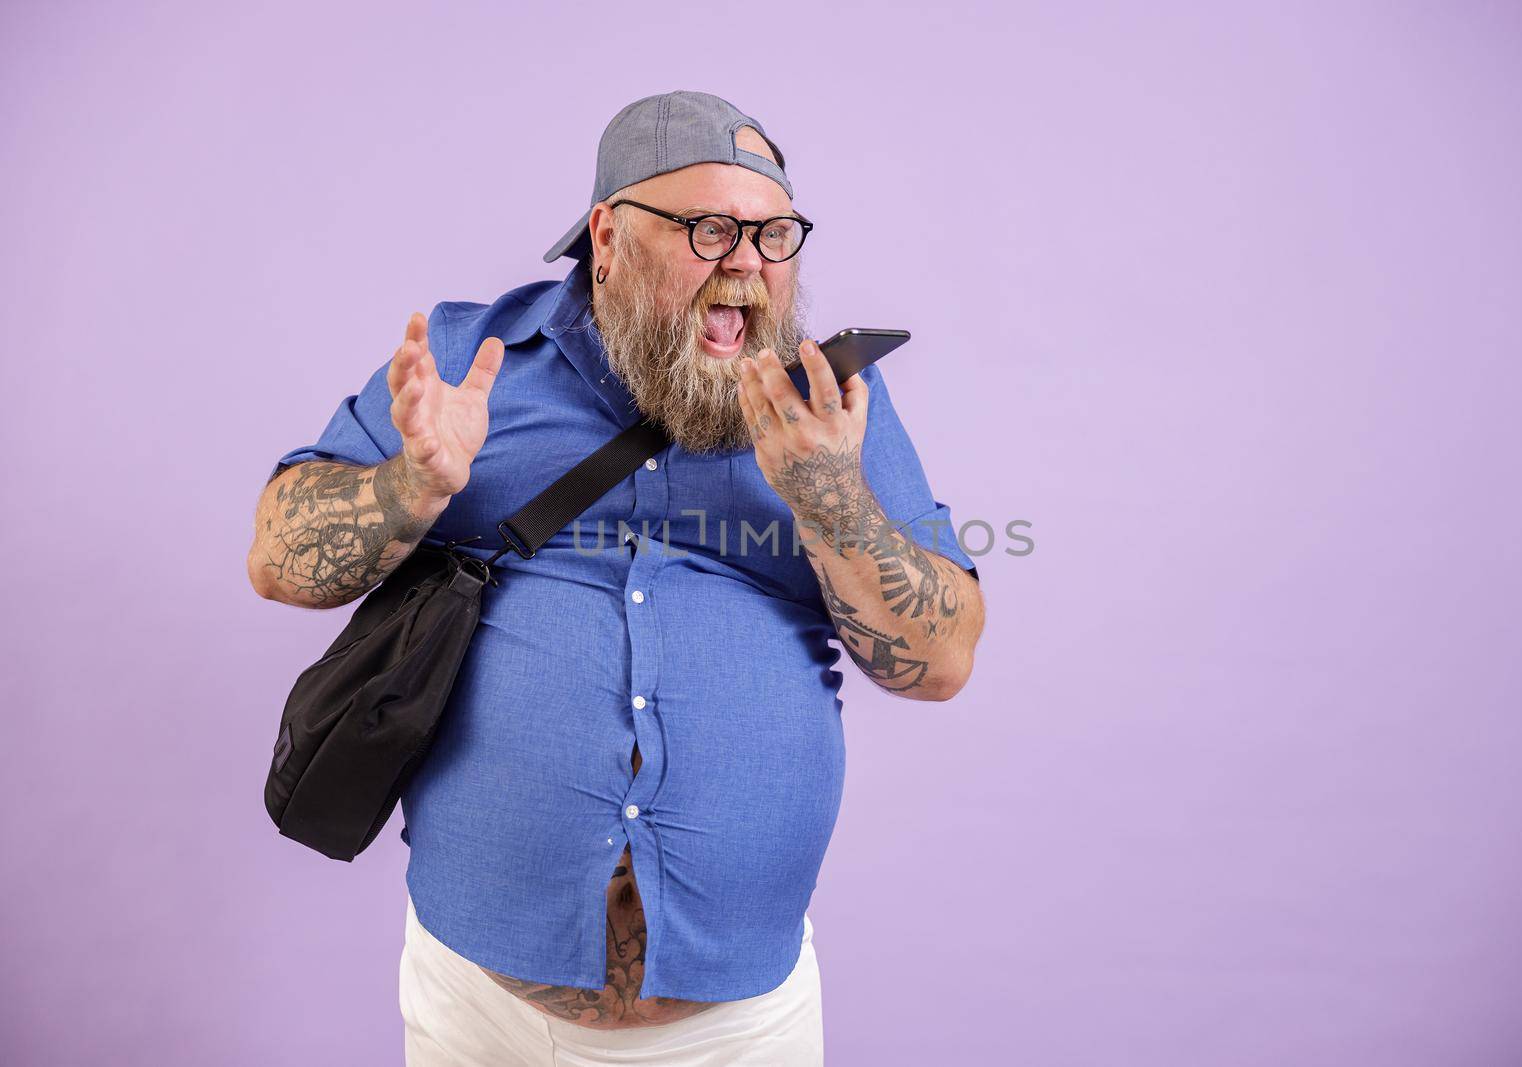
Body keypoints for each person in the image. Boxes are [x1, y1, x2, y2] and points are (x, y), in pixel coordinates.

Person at [247, 89, 986, 1066]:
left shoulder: (831, 400)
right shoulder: (475, 359)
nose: (749, 265)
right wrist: (413, 482)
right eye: (712, 228)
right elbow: (278, 561)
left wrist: (830, 500)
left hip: (736, 1025)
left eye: (774, 236)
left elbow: (938, 660)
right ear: (607, 233)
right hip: (480, 1010)